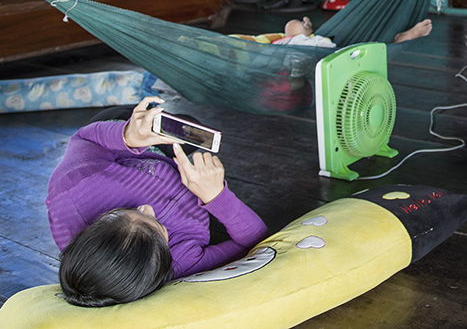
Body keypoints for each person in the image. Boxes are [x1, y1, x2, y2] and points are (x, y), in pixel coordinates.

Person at [46, 96, 269, 307]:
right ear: (164, 259)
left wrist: (128, 136)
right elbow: (255, 242)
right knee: (196, 134)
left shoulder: (74, 187)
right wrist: (216, 196)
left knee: (185, 125)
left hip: (123, 143)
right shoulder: (183, 264)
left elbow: (85, 139)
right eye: (157, 225)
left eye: (120, 213)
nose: (146, 208)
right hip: (171, 168)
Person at [270, 16, 433, 47]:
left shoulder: (277, 44)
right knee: (375, 52)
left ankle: (401, 38)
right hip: (335, 55)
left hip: (326, 57)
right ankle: (402, 38)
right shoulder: (304, 41)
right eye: (304, 25)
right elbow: (325, 45)